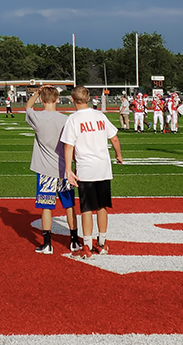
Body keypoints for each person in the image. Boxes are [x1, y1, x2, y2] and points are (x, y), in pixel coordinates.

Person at [62, 86, 123, 258]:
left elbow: (68, 145)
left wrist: (68, 169)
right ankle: (102, 243)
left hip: (86, 169)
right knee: (102, 207)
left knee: (87, 208)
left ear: (72, 100)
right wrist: (119, 155)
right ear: (88, 98)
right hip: (103, 167)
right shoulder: (99, 116)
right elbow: (114, 138)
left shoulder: (73, 119)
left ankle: (87, 245)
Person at [27, 85, 81, 254]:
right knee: (69, 205)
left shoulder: (37, 117)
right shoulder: (66, 120)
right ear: (58, 100)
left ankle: (47, 243)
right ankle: (74, 240)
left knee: (46, 207)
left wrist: (36, 92)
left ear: (42, 100)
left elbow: (28, 107)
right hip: (64, 170)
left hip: (45, 170)